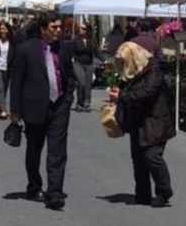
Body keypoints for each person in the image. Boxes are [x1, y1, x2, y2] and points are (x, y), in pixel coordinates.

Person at [10, 16, 76, 210]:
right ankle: (34, 185)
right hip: (34, 107)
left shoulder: (63, 48)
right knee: (34, 149)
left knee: (58, 150)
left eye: (59, 26)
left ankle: (55, 192)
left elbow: (68, 75)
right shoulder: (25, 49)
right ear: (42, 29)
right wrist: (15, 111)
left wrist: (68, 97)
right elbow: (16, 82)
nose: (58, 30)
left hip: (59, 106)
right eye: (53, 27)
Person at [109, 41, 175, 207]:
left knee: (152, 156)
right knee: (138, 158)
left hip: (156, 120)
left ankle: (164, 191)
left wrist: (122, 96)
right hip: (138, 120)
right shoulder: (133, 73)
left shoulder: (154, 70)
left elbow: (146, 92)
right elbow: (131, 91)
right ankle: (142, 193)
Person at [72, 22, 95, 112]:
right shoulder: (76, 39)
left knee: (88, 85)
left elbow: (96, 51)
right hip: (78, 63)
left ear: (88, 30)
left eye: (84, 28)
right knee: (81, 83)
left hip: (89, 64)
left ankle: (87, 103)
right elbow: (71, 50)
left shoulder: (92, 40)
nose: (81, 30)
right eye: (81, 28)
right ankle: (79, 102)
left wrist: (104, 60)